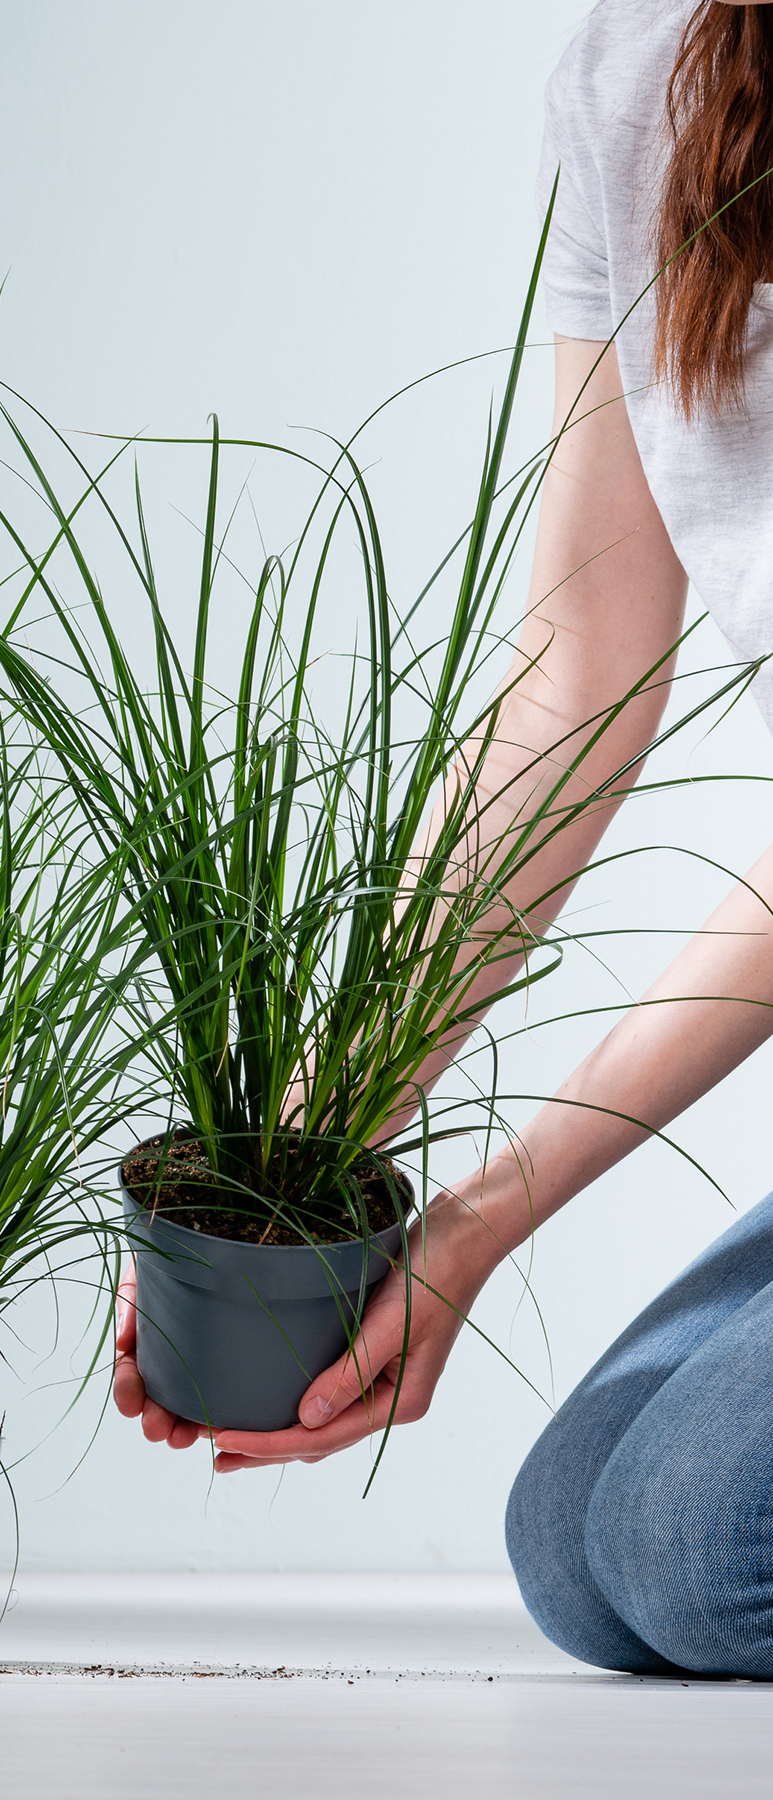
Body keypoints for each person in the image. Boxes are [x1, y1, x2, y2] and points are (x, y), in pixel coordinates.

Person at [113, 0, 773, 1678]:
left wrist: (484, 1209)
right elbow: (577, 675)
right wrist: (293, 1175)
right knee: (587, 1549)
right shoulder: (646, 74)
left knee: (704, 1557)